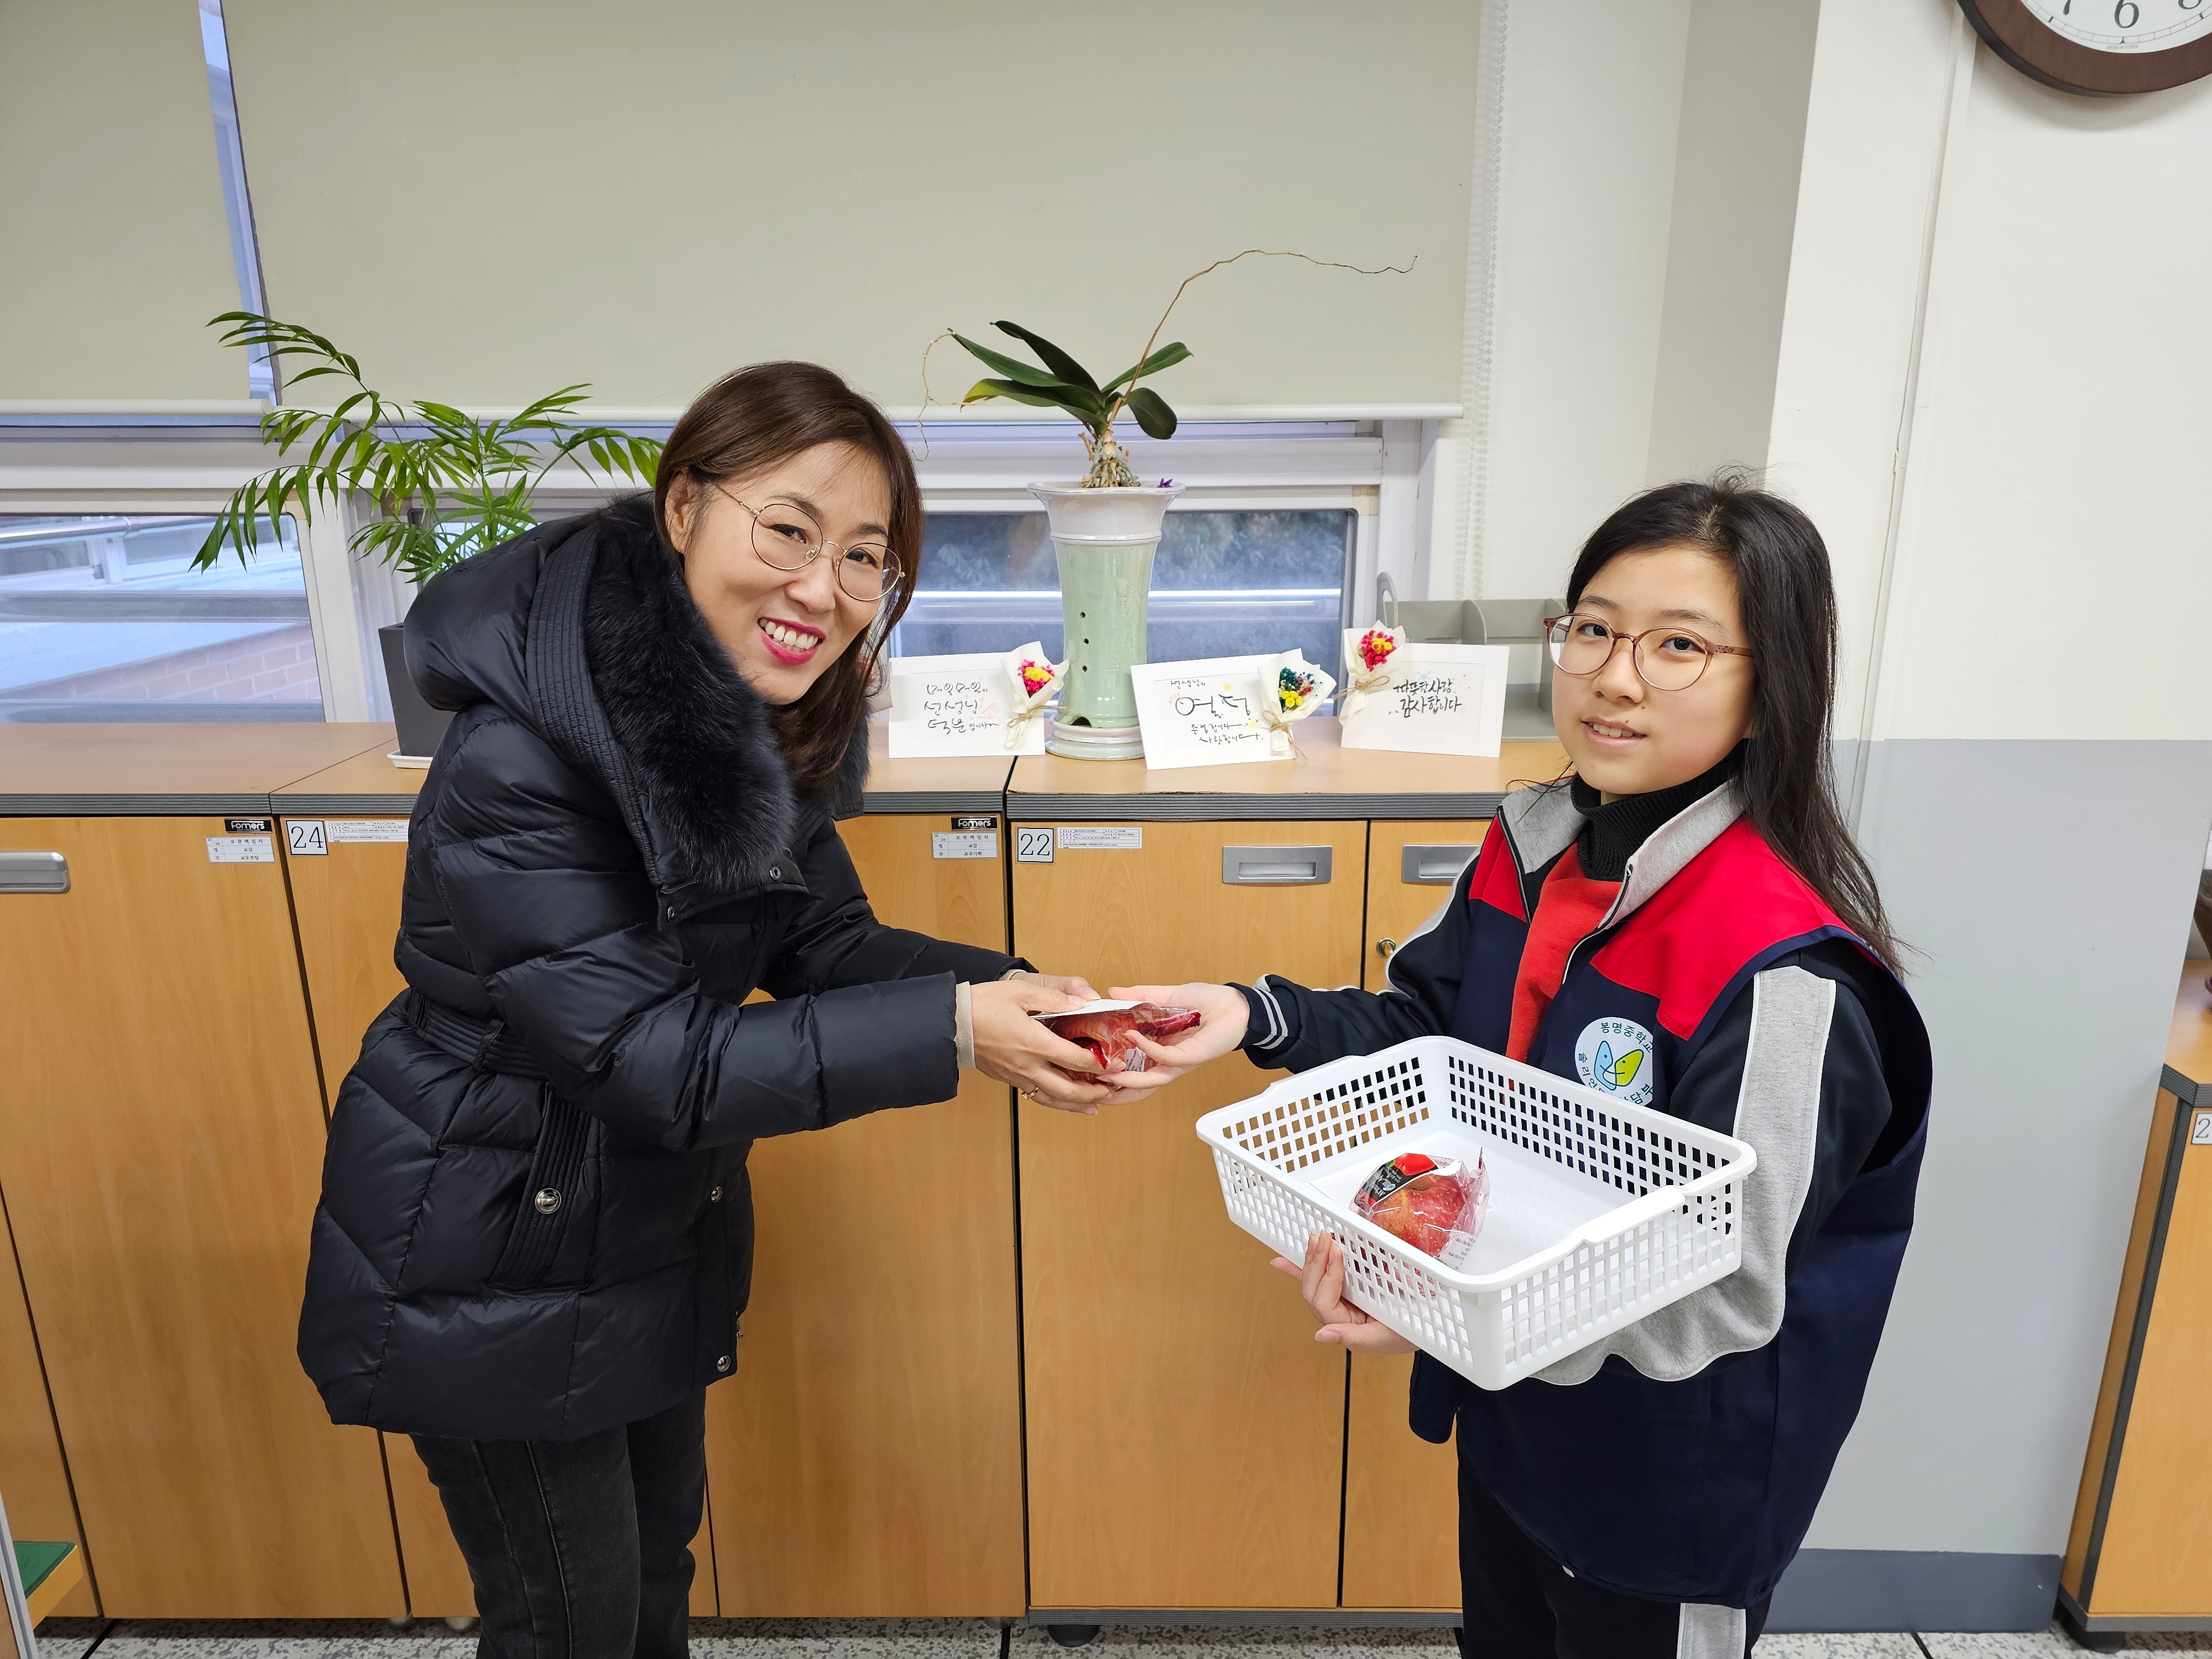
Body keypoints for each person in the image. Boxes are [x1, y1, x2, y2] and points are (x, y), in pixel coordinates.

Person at [296, 362, 1150, 1659]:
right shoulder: (524, 752)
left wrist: (1018, 995)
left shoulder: (741, 719)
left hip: (639, 1220)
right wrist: (952, 1032)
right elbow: (652, 1057)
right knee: (568, 1624)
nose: (823, 587)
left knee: (652, 1576)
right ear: (684, 506)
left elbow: (823, 940)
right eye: (789, 530)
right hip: (491, 1238)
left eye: (863, 557)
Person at [1115, 478, 1932, 1657]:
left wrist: (1444, 1315)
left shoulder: (1782, 972)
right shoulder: (1531, 846)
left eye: (1679, 646)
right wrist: (1248, 1014)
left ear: (1770, 691)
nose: (1615, 677)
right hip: (1513, 1423)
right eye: (1594, 628)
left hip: (1667, 1485)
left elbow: (1724, 1286)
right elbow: (1427, 1039)